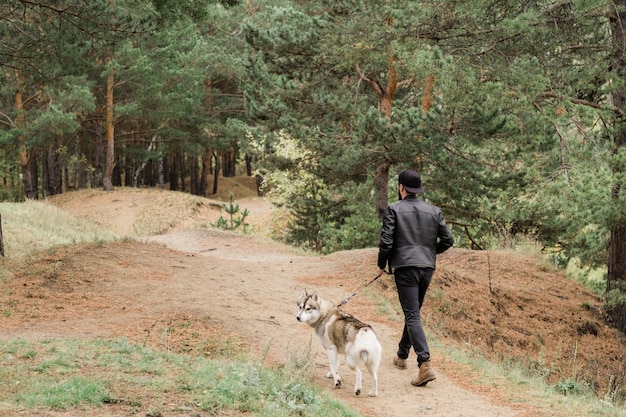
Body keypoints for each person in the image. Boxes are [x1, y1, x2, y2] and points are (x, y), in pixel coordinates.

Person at [376, 169, 454, 386]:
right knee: (414, 313)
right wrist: (428, 253)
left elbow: (387, 242)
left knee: (412, 314)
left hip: (406, 268)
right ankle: (402, 356)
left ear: (401, 187)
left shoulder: (394, 209)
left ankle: (425, 363)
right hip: (427, 267)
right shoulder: (434, 210)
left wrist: (381, 264)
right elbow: (448, 240)